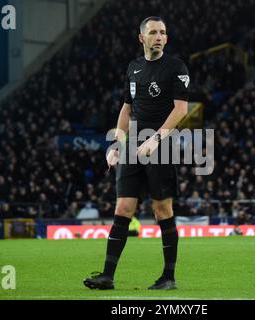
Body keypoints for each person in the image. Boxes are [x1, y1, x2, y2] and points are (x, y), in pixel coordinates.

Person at [84, 16, 189, 290]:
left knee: (162, 208)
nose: (159, 36)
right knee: (123, 207)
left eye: (163, 32)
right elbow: (126, 108)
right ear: (141, 37)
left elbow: (181, 110)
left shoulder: (176, 67)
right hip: (133, 146)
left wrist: (155, 139)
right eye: (153, 32)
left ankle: (169, 277)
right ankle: (107, 276)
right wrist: (117, 143)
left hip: (160, 144)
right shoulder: (134, 68)